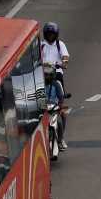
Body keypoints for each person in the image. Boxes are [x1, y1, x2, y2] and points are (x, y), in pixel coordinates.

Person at [40, 22, 70, 150]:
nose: (51, 36)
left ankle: (61, 138)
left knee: (62, 110)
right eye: (49, 34)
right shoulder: (41, 45)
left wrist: (63, 62)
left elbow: (65, 56)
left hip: (56, 74)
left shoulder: (60, 44)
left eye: (53, 34)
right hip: (43, 75)